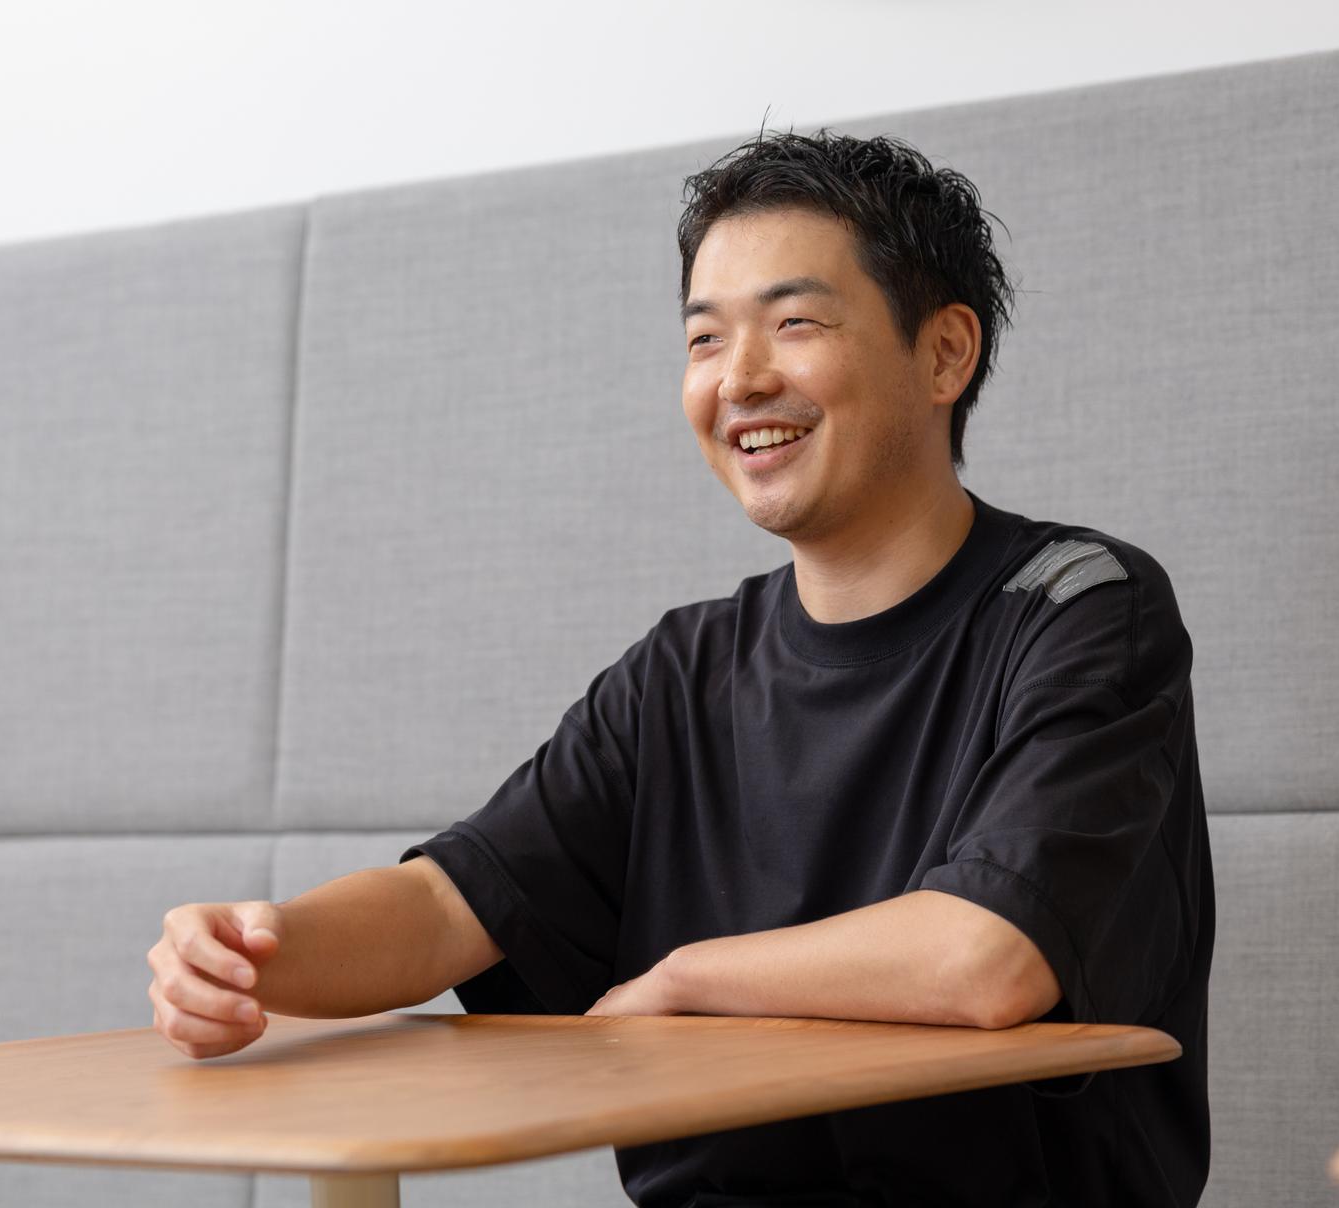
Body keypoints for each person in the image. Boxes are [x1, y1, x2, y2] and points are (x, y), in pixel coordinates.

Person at [145, 130, 1213, 1207]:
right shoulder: (684, 670)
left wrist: (687, 977)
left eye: (794, 323)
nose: (740, 378)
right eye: (706, 338)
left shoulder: (1081, 607)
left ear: (944, 353)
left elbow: (989, 955)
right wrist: (256, 951)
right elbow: (445, 905)